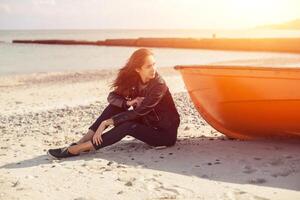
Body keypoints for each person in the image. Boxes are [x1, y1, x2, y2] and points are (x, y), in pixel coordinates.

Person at [47, 48, 180, 159]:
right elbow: (112, 97)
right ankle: (84, 140)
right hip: (148, 123)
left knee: (128, 126)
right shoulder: (135, 82)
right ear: (137, 69)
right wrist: (128, 102)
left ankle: (79, 148)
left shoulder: (159, 85)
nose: (154, 69)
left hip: (163, 134)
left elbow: (140, 111)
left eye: (154, 64)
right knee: (116, 106)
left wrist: (106, 122)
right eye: (149, 66)